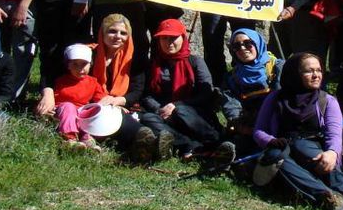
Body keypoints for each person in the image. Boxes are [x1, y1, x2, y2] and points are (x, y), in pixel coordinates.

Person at [251, 53, 343, 210]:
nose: (316, 75)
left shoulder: (327, 101)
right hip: (283, 151)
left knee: (300, 145)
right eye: (309, 71)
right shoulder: (275, 98)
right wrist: (271, 141)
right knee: (275, 157)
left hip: (313, 153)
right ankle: (327, 195)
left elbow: (334, 135)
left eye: (319, 70)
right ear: (294, 74)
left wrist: (332, 153)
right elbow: (258, 130)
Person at [36, 14, 146, 152]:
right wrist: (48, 93)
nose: (118, 36)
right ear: (102, 32)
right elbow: (51, 71)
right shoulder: (85, 54)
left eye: (123, 33)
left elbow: (137, 90)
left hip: (113, 104)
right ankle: (139, 140)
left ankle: (145, 141)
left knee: (121, 118)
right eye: (112, 31)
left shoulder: (133, 58)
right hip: (88, 104)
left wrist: (119, 100)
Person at [137, 19, 221, 162]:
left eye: (173, 38)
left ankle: (213, 141)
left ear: (183, 38)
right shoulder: (154, 64)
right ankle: (189, 145)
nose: (169, 42)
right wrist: (160, 109)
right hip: (166, 115)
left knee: (181, 112)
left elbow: (206, 93)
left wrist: (178, 105)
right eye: (164, 38)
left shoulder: (195, 62)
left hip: (193, 113)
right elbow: (147, 95)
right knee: (147, 118)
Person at [221, 28, 283, 155]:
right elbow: (231, 103)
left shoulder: (277, 67)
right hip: (248, 122)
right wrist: (240, 124)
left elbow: (282, 96)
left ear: (258, 43)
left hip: (276, 118)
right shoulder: (232, 77)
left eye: (248, 43)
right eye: (237, 46)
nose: (242, 48)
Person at [47, 43, 111, 149]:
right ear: (68, 65)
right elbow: (51, 97)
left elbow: (102, 99)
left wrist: (114, 103)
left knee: (91, 110)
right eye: (75, 64)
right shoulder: (60, 81)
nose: (80, 68)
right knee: (69, 107)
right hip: (63, 110)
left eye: (84, 64)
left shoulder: (93, 82)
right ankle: (69, 137)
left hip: (81, 111)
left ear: (90, 64)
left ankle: (86, 137)